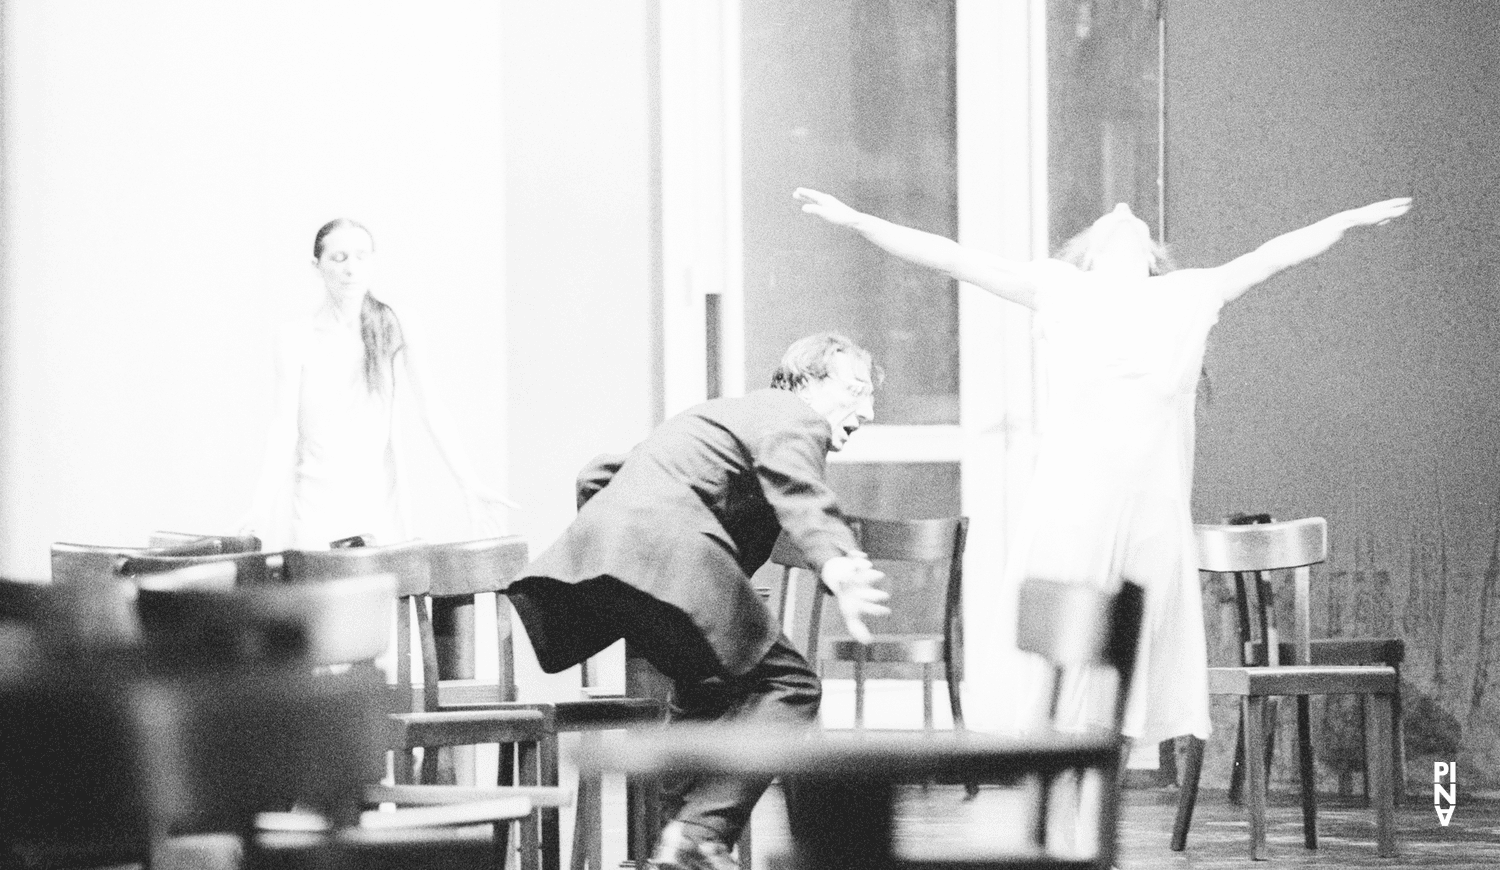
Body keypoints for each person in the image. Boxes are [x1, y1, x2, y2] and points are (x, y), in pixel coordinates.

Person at [794, 187, 1412, 747]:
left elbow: (1277, 254)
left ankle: (1103, 762)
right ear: (1087, 256)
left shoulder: (1190, 292)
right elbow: (949, 256)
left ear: (1149, 259)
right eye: (1107, 217)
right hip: (1074, 500)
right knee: (1060, 644)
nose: (1121, 211)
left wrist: (1346, 217)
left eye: (1134, 219)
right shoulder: (1058, 286)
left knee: (1126, 651)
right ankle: (1049, 765)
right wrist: (857, 220)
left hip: (1148, 506)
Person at [506, 333, 892, 870]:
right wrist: (834, 559)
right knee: (791, 685)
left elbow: (596, 474)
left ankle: (673, 847)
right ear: (807, 382)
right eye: (855, 390)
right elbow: (800, 488)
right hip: (672, 561)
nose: (867, 410)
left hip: (602, 571)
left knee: (710, 693)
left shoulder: (725, 418)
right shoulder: (789, 415)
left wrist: (624, 565)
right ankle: (697, 838)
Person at [242, 219, 512, 550]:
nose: (351, 269)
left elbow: (431, 407)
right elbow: (283, 427)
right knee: (321, 596)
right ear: (317, 266)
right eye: (338, 258)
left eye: (361, 257)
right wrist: (261, 506)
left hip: (378, 502)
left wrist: (468, 483)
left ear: (373, 262)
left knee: (381, 595)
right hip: (314, 503)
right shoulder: (295, 337)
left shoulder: (394, 322)